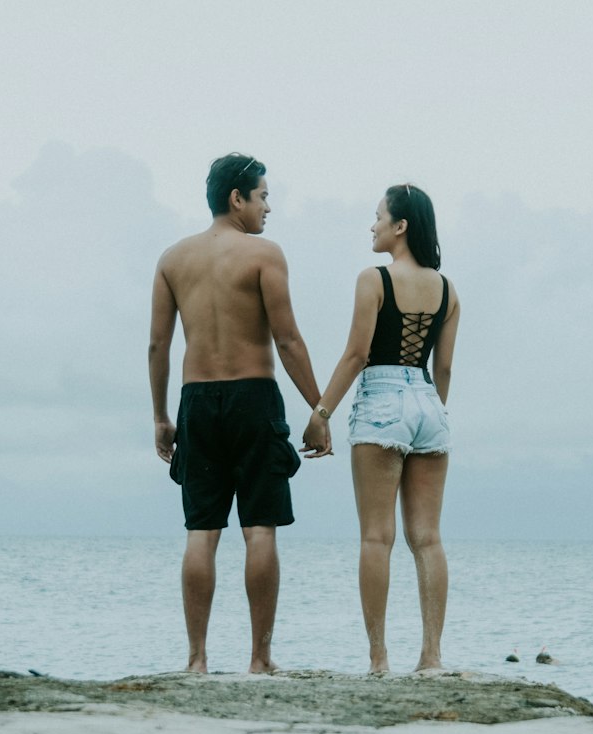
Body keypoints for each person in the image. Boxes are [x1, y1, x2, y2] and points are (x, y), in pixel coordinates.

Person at [149, 154, 330, 674]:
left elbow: (158, 345)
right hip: (253, 397)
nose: (268, 208)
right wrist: (318, 408)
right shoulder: (264, 254)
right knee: (260, 530)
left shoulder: (172, 259)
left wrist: (162, 415)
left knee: (201, 533)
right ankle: (260, 659)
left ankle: (197, 661)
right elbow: (288, 338)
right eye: (263, 196)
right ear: (238, 198)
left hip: (197, 401)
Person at [302, 184, 459, 674]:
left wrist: (321, 412)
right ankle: (431, 658)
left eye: (377, 217)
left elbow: (356, 354)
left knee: (376, 537)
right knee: (427, 538)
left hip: (382, 396)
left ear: (401, 226)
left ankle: (378, 661)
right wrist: (426, 413)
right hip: (429, 401)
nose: (372, 226)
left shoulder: (374, 280)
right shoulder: (448, 290)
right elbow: (446, 369)